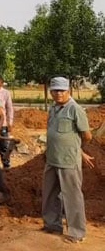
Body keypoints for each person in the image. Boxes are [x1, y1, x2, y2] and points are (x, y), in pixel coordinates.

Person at [41, 76, 93, 244]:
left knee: (72, 196)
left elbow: (87, 135)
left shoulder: (75, 109)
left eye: (62, 90)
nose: (58, 94)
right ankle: (52, 225)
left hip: (68, 160)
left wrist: (78, 150)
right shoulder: (53, 108)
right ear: (51, 92)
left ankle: (77, 232)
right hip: (52, 158)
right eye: (55, 90)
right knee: (49, 194)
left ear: (68, 91)